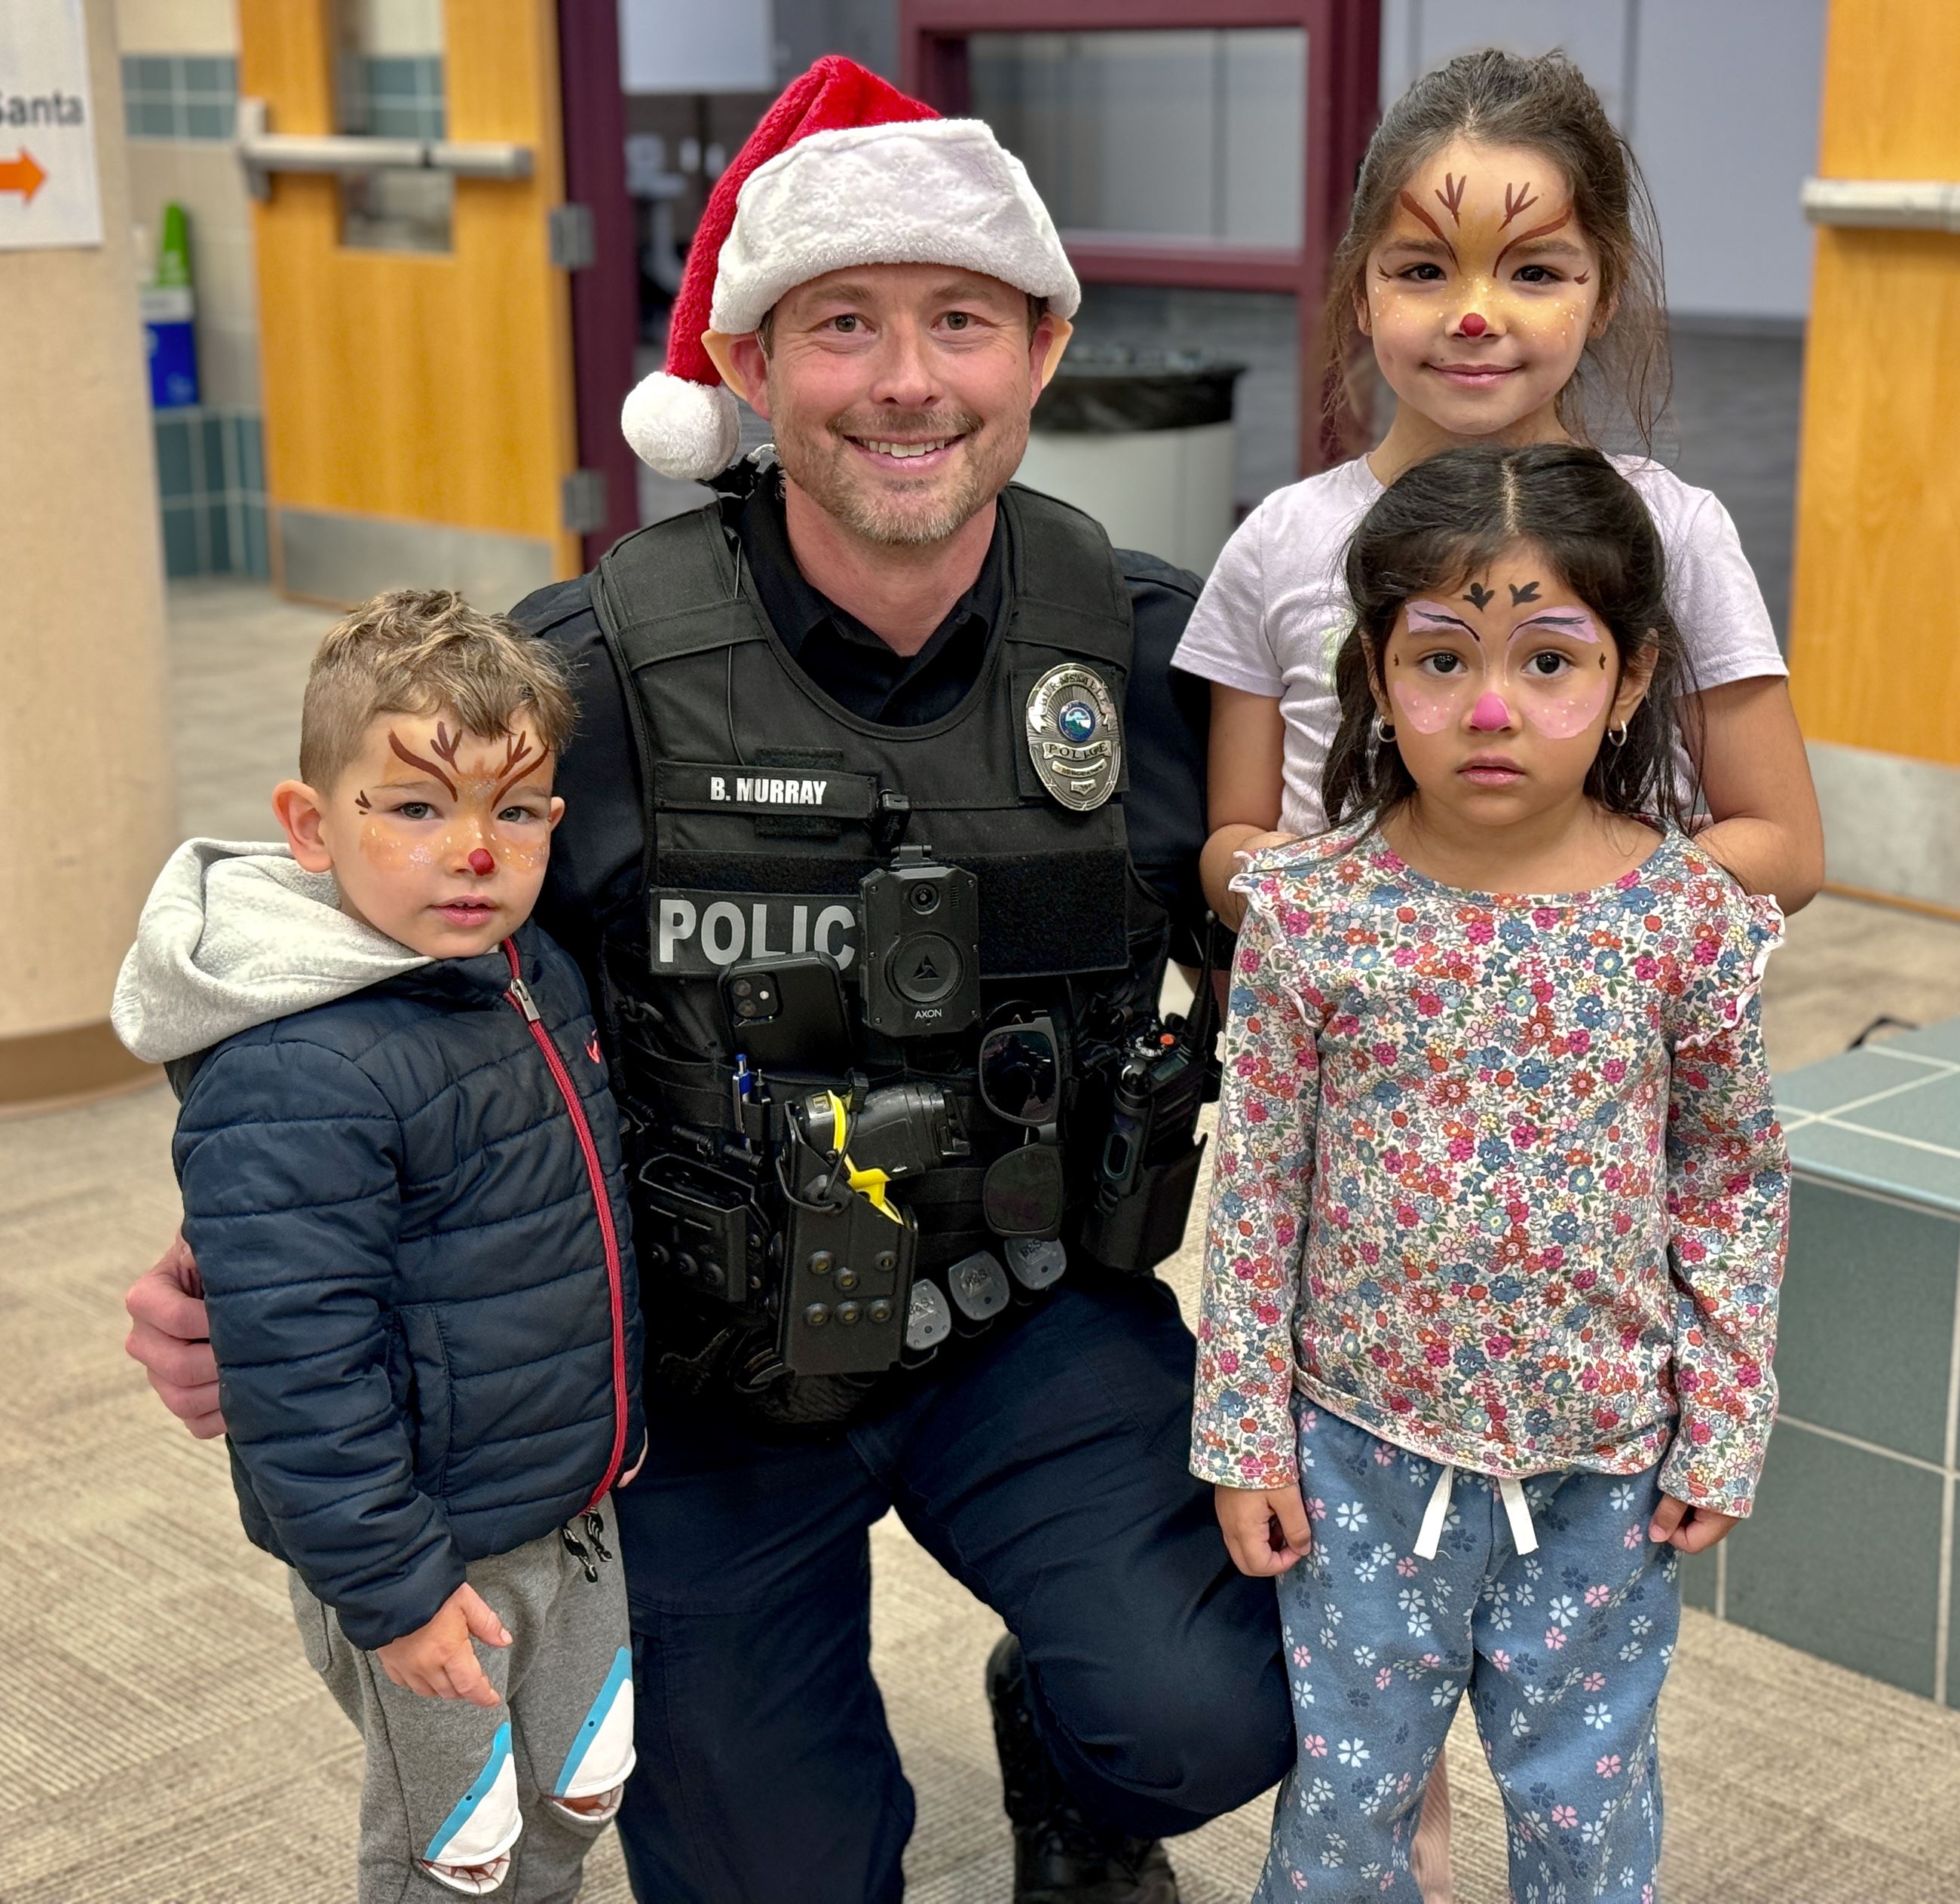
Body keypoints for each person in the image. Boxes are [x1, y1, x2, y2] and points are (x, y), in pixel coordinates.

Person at [123, 57, 1288, 1904]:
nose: (907, 379)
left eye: (960, 320)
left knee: (1207, 1701)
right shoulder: (574, 678)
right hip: (692, 1373)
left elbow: (1320, 1003)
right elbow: (350, 962)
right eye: (842, 323)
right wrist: (250, 1257)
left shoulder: (1158, 656)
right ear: (748, 365)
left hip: (1032, 1310)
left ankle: (1072, 1765)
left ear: (1042, 345)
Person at [1193, 441, 1788, 1902]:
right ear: (1375, 675)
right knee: (1347, 1796)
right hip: (1352, 1452)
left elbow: (1729, 1180)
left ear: (1633, 680)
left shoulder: (1689, 918)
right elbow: (1258, 1186)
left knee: (1583, 1806)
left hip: (1606, 1462)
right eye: (1441, 658)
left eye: (1548, 660)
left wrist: (1723, 1417)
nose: (1491, 708)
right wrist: (1246, 1440)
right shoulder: (1309, 912)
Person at [112, 592, 646, 1902]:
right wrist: (393, 1588)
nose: (474, 850)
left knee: (583, 1781)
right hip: (424, 1544)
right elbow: (298, 1372)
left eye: (512, 812)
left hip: (567, 1505)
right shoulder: (295, 1072)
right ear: (310, 826)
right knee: (454, 1849)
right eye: (415, 809)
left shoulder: (526, 970)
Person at [1181, 48, 1824, 938]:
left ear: (1602, 292)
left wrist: (1561, 914)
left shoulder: (1675, 531)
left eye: (1533, 273)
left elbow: (1785, 847)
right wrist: (1370, 909)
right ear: (1359, 291)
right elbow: (1229, 844)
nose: (1473, 315)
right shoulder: (1279, 541)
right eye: (1420, 271)